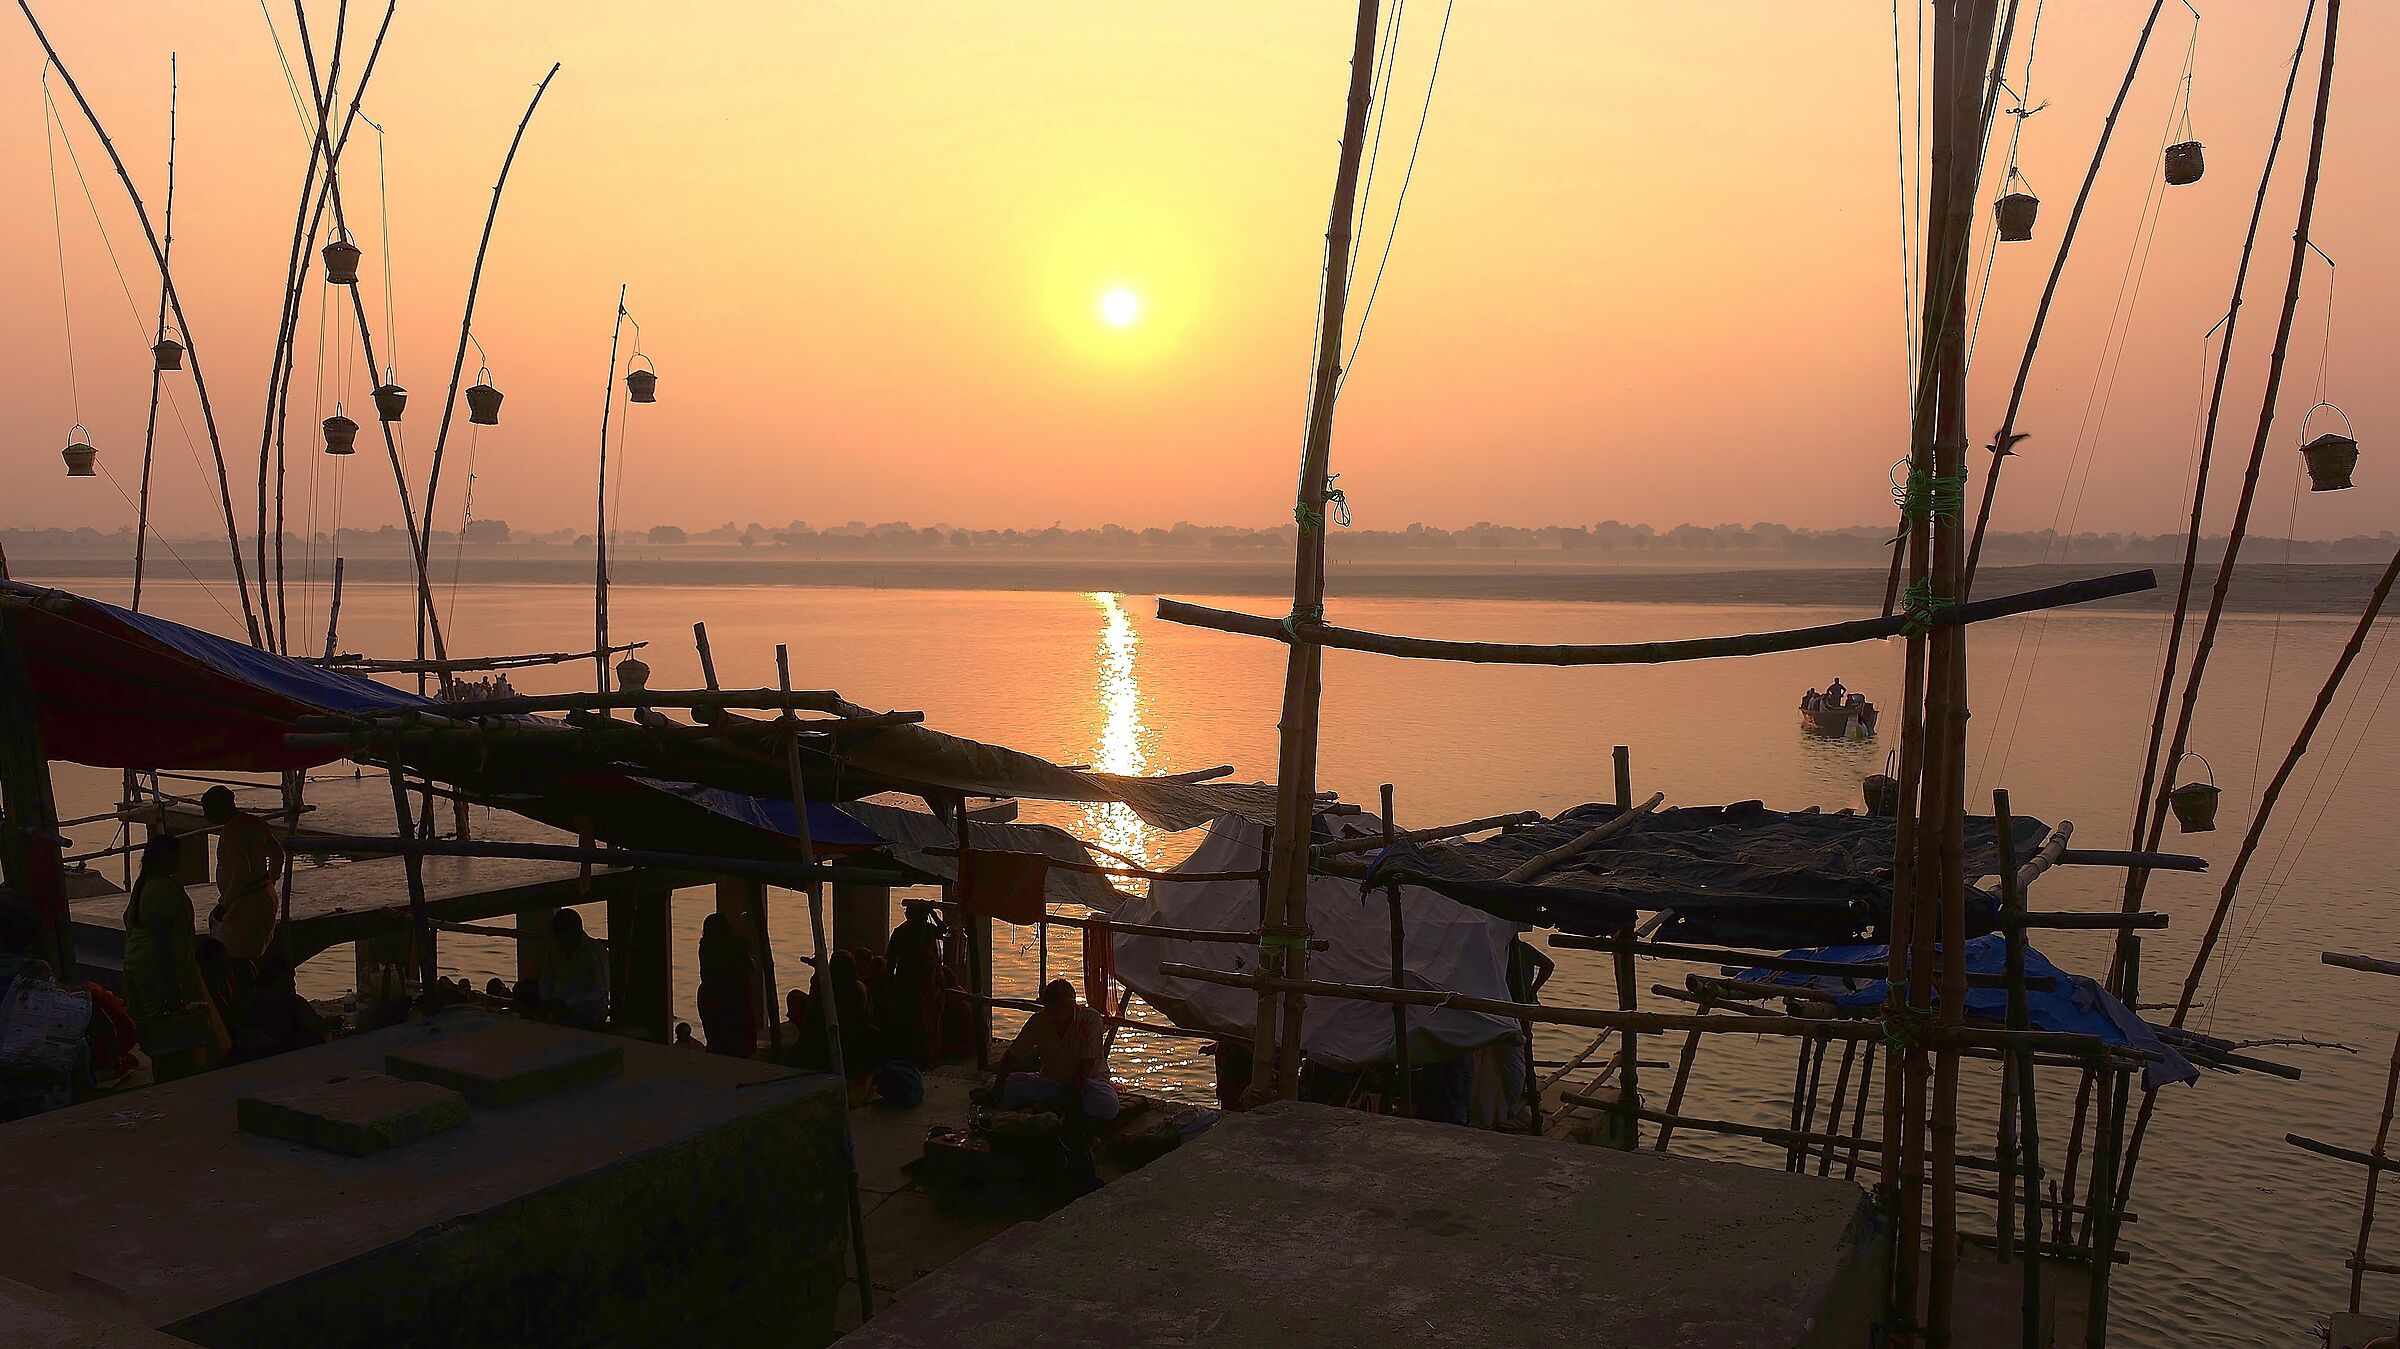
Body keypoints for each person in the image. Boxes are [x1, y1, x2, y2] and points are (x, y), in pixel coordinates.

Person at [121, 836, 228, 1077]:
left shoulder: (145, 884)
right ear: (161, 857)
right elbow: (162, 940)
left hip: (139, 961)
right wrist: (172, 981)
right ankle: (171, 1073)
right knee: (168, 1022)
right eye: (175, 856)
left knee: (156, 1021)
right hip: (155, 965)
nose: (179, 861)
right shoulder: (160, 888)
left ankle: (168, 1070)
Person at [989, 978, 1117, 1121]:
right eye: (1057, 1008)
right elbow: (1012, 1055)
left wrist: (1069, 1095)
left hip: (1088, 1083)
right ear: (1048, 1007)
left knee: (1107, 1103)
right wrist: (998, 1086)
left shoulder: (1090, 1019)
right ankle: (1055, 1106)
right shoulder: (1039, 1021)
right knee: (1009, 1084)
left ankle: (1053, 1106)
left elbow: (1087, 1064)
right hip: (1051, 1081)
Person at [202, 786, 283, 962]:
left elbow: (242, 871)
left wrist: (225, 904)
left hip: (245, 901)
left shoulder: (231, 831)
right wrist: (271, 880)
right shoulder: (256, 823)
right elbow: (277, 854)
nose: (205, 814)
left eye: (207, 809)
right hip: (264, 894)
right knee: (254, 953)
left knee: (233, 956)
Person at [884, 901, 946, 1065]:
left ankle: (926, 1055)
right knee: (911, 1023)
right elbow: (890, 962)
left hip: (928, 985)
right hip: (908, 984)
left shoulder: (928, 930)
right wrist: (890, 989)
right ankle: (912, 1057)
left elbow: (943, 930)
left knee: (928, 1022)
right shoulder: (901, 933)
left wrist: (933, 914)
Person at [232, 956, 328, 1062]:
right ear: (276, 980)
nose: (294, 983)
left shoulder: (250, 1002)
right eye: (289, 979)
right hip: (286, 1058)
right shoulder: (293, 1003)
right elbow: (317, 1027)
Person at [695, 913, 758, 1058]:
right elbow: (750, 966)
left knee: (716, 1041)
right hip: (729, 1001)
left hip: (709, 997)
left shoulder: (705, 946)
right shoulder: (732, 949)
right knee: (736, 1045)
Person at [539, 908, 610, 1030]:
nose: (561, 942)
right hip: (559, 1004)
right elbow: (547, 981)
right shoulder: (554, 948)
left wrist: (567, 1002)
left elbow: (600, 991)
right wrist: (545, 1000)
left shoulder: (594, 950)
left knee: (587, 1015)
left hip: (588, 1005)